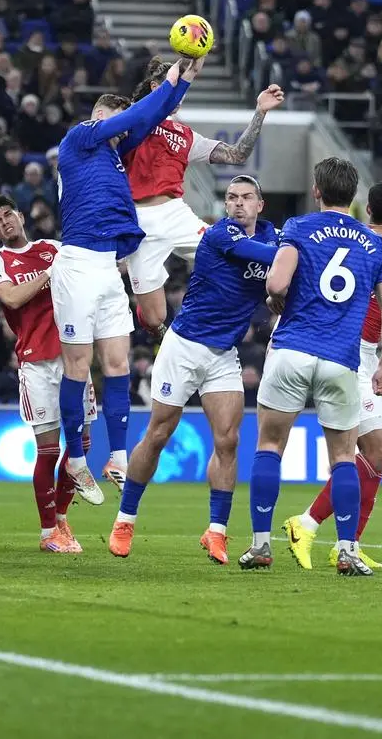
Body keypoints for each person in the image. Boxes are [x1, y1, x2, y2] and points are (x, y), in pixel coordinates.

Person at [105, 63, 282, 491]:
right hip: (139, 219)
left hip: (175, 213)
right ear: (154, 85)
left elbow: (237, 155)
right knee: (151, 316)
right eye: (173, 80)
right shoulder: (137, 119)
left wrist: (259, 112)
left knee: (234, 253)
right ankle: (173, 345)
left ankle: (270, 312)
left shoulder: (186, 136)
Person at [50, 56, 203, 509]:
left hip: (108, 268)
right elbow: (141, 114)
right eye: (116, 126)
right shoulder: (81, 137)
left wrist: (185, 81)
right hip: (77, 261)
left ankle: (117, 456)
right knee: (79, 367)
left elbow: (150, 117)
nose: (123, 135)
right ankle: (75, 459)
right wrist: (170, 76)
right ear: (100, 116)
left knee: (118, 363)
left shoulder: (113, 152)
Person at [240, 157, 382, 575]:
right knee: (345, 456)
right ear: (354, 196)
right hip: (341, 359)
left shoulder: (297, 227)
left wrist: (279, 299)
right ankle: (347, 551)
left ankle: (260, 545)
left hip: (292, 349)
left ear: (316, 191)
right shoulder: (374, 245)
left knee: (270, 446)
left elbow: (276, 283)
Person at [107, 175, 279, 563]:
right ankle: (125, 519)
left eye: (246, 197)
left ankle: (216, 531)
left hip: (222, 355)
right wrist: (294, 254)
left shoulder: (274, 238)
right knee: (159, 432)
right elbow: (272, 261)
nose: (237, 204)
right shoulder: (221, 236)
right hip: (183, 346)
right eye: (231, 197)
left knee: (228, 440)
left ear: (260, 204)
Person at [283, 180, 382, 571]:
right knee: (373, 451)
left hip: (368, 353)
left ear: (369, 209)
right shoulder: (368, 247)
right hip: (352, 355)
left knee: (379, 455)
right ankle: (305, 524)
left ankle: (349, 546)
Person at [0, 193, 96, 553]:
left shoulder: (53, 248)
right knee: (48, 450)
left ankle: (61, 521)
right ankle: (48, 533)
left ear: (20, 215)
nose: (4, 223)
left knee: (83, 444)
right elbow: (11, 299)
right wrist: (49, 273)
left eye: (7, 215)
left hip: (73, 357)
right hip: (37, 362)